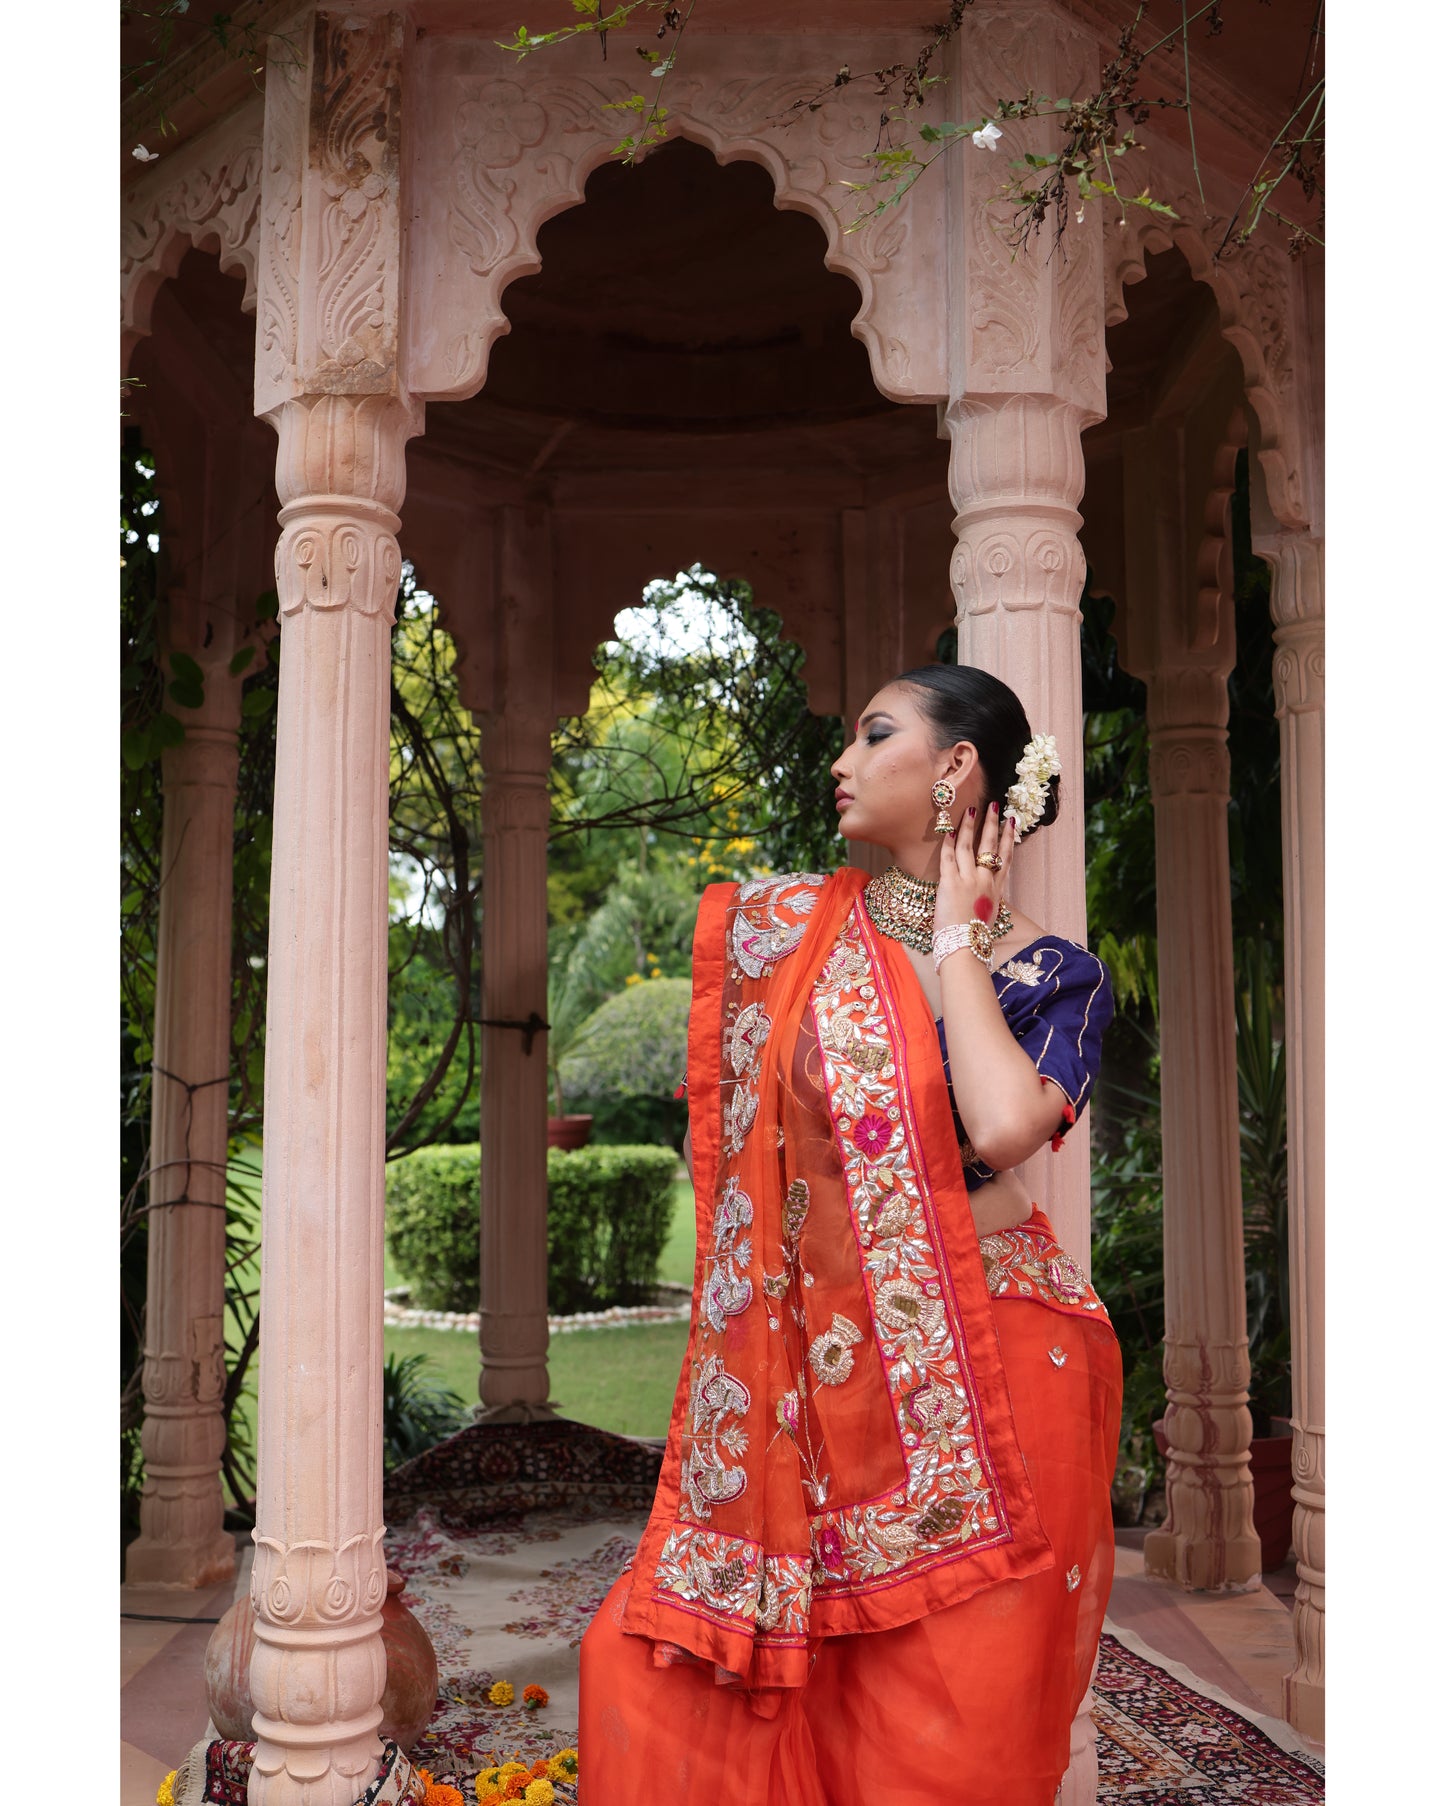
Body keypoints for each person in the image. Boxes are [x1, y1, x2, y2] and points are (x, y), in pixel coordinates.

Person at [578, 664, 1123, 1806]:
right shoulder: (793, 934)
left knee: (940, 1724)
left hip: (991, 1362)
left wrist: (958, 939)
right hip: (813, 1373)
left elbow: (1002, 1126)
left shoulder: (1054, 975)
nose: (841, 761)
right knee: (647, 1665)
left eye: (875, 735)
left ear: (955, 767)